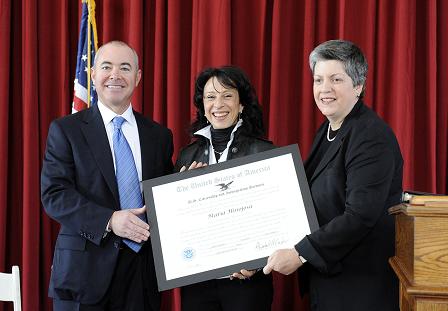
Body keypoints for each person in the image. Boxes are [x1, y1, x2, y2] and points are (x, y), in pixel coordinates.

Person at [263, 40, 403, 310]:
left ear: (358, 86)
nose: (324, 89)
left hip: (359, 288)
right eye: (318, 79)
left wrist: (300, 254)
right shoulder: (330, 129)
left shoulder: (370, 136)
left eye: (336, 79)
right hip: (331, 281)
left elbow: (360, 216)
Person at [41, 41, 173, 311]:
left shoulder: (159, 136)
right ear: (92, 75)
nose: (115, 75)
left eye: (125, 68)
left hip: (141, 277)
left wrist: (186, 187)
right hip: (83, 276)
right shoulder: (66, 130)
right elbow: (55, 195)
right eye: (106, 67)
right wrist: (109, 220)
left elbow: (163, 199)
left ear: (137, 77)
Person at [175, 66, 274, 311]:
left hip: (247, 283)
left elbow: (276, 219)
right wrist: (179, 197)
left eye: (227, 95)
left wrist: (259, 263)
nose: (218, 103)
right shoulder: (187, 156)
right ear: (203, 106)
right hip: (197, 284)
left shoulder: (265, 152)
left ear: (241, 104)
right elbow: (178, 224)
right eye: (211, 96)